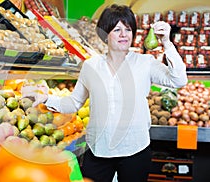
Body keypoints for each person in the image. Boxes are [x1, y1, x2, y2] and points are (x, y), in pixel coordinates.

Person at [22, 4, 188, 182]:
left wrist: (167, 43)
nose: (124, 34)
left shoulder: (145, 63)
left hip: (135, 149)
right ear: (105, 34)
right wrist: (46, 99)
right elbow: (74, 102)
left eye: (128, 29)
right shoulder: (91, 66)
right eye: (117, 29)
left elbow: (178, 80)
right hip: (98, 150)